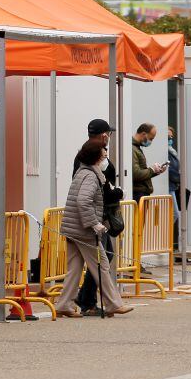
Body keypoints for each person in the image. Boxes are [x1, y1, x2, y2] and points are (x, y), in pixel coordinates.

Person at [55, 140, 133, 318]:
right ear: (96, 157)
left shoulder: (82, 172)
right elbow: (83, 201)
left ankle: (64, 304)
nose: (106, 156)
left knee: (74, 269)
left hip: (72, 228)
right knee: (102, 265)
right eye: (104, 154)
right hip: (84, 231)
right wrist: (94, 223)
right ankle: (113, 303)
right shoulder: (91, 176)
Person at [74, 119, 120, 316]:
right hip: (92, 218)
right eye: (108, 133)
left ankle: (80, 299)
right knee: (103, 257)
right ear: (103, 135)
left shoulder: (83, 154)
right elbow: (96, 190)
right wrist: (117, 193)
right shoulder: (94, 158)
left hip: (89, 216)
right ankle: (93, 301)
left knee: (80, 263)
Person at [132, 123, 167, 201]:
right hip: (138, 194)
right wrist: (152, 170)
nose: (151, 141)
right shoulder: (133, 149)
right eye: (151, 139)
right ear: (144, 134)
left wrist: (156, 171)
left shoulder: (136, 148)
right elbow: (135, 173)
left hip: (141, 193)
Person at [167, 126, 181, 249]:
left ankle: (166, 241)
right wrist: (179, 177)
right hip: (168, 185)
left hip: (172, 186)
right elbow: (170, 170)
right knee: (174, 214)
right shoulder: (166, 152)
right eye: (167, 137)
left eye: (171, 136)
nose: (170, 139)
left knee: (174, 214)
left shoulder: (172, 151)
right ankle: (165, 240)